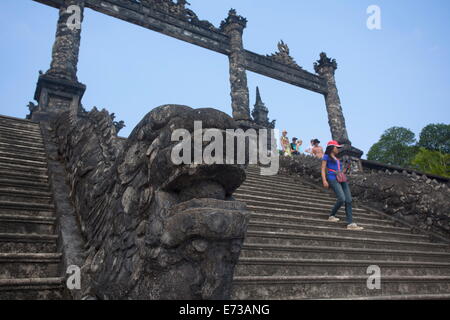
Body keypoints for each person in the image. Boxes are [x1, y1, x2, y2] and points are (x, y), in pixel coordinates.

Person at [321, 140, 364, 230]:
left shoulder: (337, 159)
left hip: (341, 178)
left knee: (348, 200)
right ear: (332, 148)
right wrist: (324, 180)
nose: (338, 149)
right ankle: (332, 215)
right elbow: (323, 169)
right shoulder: (326, 156)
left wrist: (347, 167)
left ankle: (350, 223)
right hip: (332, 178)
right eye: (337, 147)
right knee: (341, 198)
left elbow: (341, 171)